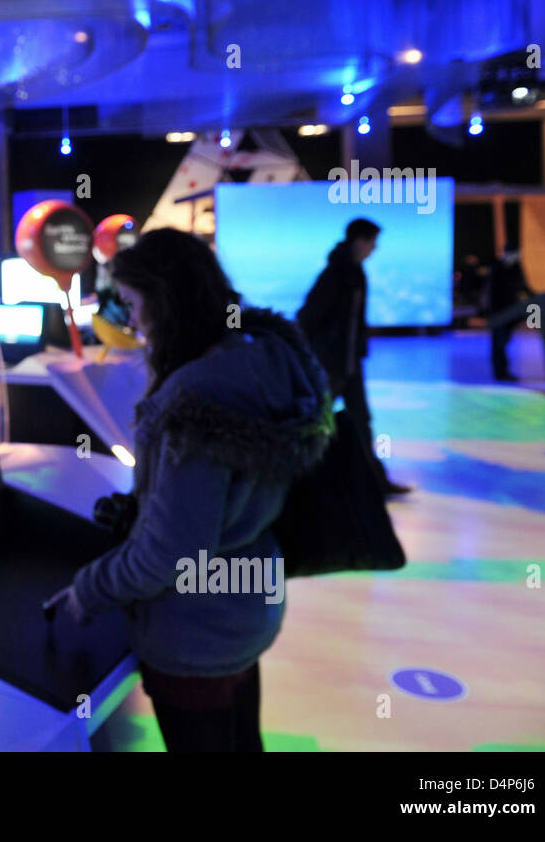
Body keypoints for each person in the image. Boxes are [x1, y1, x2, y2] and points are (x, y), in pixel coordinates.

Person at [47, 229, 332, 752]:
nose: (131, 321)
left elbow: (171, 554)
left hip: (195, 628)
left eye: (134, 304)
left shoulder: (194, 401)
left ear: (166, 299)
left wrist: (89, 589)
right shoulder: (262, 361)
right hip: (246, 606)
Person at [297, 218, 411, 496]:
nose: (374, 248)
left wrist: (357, 351)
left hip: (348, 364)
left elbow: (352, 321)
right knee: (317, 423)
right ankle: (295, 484)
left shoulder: (355, 273)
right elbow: (309, 316)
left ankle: (376, 482)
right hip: (331, 365)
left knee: (359, 422)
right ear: (359, 241)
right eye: (372, 242)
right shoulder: (337, 274)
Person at [483, 250, 530, 381]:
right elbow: (494, 292)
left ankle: (503, 371)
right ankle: (500, 372)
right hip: (499, 313)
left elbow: (522, 286)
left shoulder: (515, 267)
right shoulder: (497, 268)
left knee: (503, 342)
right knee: (498, 343)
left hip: (510, 312)